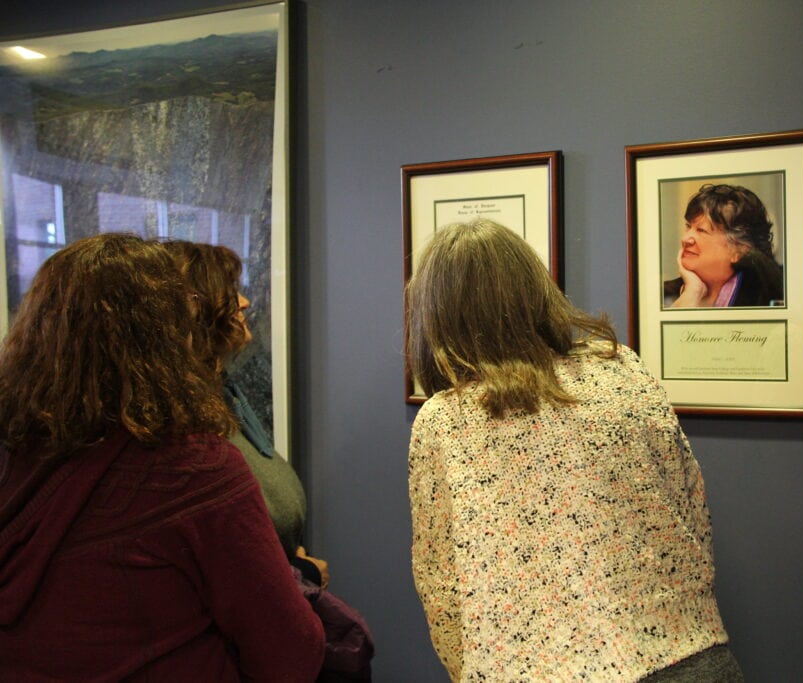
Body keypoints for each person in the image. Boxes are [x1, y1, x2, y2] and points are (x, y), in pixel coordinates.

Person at [406, 218, 743, 682]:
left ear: (437, 313)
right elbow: (690, 505)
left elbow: (442, 586)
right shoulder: (622, 368)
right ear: (536, 288)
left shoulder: (446, 420)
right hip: (687, 655)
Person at [0, 233, 324, 681]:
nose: (245, 304)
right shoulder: (194, 468)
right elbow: (291, 652)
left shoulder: (16, 453)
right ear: (168, 333)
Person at [163, 239, 374, 680]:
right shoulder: (180, 423)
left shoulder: (223, 397)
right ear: (194, 310)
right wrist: (290, 572)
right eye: (229, 291)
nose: (243, 301)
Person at [663, 183, 784, 308]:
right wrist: (692, 293)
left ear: (738, 250)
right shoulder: (662, 296)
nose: (685, 239)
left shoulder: (770, 299)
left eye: (701, 230)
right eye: (688, 227)